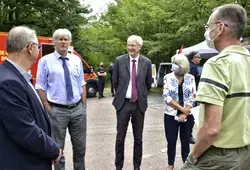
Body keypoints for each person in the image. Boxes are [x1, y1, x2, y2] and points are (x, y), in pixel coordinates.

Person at [182, 4, 250, 170]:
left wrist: (194, 155)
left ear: (220, 28)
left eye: (208, 26)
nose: (207, 31)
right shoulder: (247, 60)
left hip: (218, 156)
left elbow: (211, 129)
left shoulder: (218, 64)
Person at [0, 26, 61, 170]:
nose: (39, 50)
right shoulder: (9, 82)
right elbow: (25, 130)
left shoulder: (16, 76)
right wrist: (54, 150)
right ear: (30, 48)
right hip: (23, 162)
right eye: (38, 47)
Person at [35, 28, 87, 170]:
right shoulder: (45, 61)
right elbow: (40, 86)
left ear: (69, 42)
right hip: (57, 111)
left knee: (80, 148)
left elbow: (82, 83)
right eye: (60, 39)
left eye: (66, 39)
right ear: (54, 42)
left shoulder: (76, 60)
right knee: (57, 150)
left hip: (78, 110)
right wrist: (48, 109)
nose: (63, 42)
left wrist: (83, 106)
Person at [112, 35, 152, 170]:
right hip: (123, 104)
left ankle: (137, 166)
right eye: (128, 45)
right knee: (120, 138)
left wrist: (140, 95)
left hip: (138, 105)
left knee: (138, 138)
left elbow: (148, 83)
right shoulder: (119, 61)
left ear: (139, 47)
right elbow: (115, 82)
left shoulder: (146, 62)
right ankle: (119, 166)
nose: (130, 48)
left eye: (133, 45)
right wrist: (124, 94)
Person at [163, 54, 196, 170]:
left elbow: (193, 96)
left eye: (177, 64)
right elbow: (166, 97)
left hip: (188, 115)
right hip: (170, 115)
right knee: (171, 141)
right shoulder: (168, 77)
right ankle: (170, 165)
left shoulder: (190, 77)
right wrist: (181, 110)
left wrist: (185, 112)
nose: (174, 66)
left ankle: (185, 165)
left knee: (186, 141)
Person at [186, 51, 201, 145]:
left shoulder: (192, 66)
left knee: (190, 115)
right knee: (191, 115)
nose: (199, 59)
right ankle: (188, 135)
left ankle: (188, 134)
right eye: (198, 57)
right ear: (193, 58)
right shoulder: (192, 67)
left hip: (192, 94)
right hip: (192, 94)